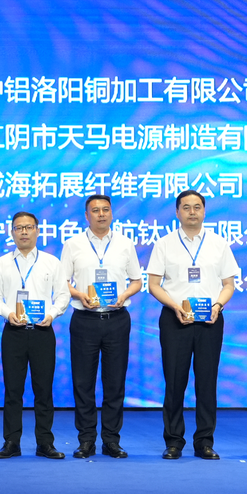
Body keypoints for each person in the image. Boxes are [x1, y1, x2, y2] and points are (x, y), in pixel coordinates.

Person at [146, 190, 240, 461]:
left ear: (204, 211)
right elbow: (153, 285)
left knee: (207, 382)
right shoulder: (164, 244)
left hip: (210, 319)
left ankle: (204, 442)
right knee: (175, 381)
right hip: (175, 319)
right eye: (186, 207)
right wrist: (175, 307)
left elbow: (229, 284)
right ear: (177, 212)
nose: (192, 212)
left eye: (197, 207)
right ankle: (174, 441)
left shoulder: (219, 244)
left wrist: (217, 306)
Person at [59, 194, 143, 459]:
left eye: (106, 210)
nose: (101, 214)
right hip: (85, 320)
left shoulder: (125, 244)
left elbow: (137, 281)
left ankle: (111, 440)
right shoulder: (73, 244)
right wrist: (79, 294)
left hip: (117, 320)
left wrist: (124, 295)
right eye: (95, 210)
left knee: (114, 383)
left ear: (112, 214)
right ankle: (86, 440)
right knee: (83, 383)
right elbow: (62, 282)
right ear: (87, 216)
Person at [0, 211, 69, 460]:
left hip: (43, 331)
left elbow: (63, 295)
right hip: (14, 332)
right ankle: (11, 442)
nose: (24, 232)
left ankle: (45, 443)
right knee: (13, 390)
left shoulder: (51, 262)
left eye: (29, 227)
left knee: (43, 390)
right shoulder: (1, 263)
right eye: (19, 228)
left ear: (37, 231)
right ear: (11, 232)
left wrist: (52, 314)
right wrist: (7, 312)